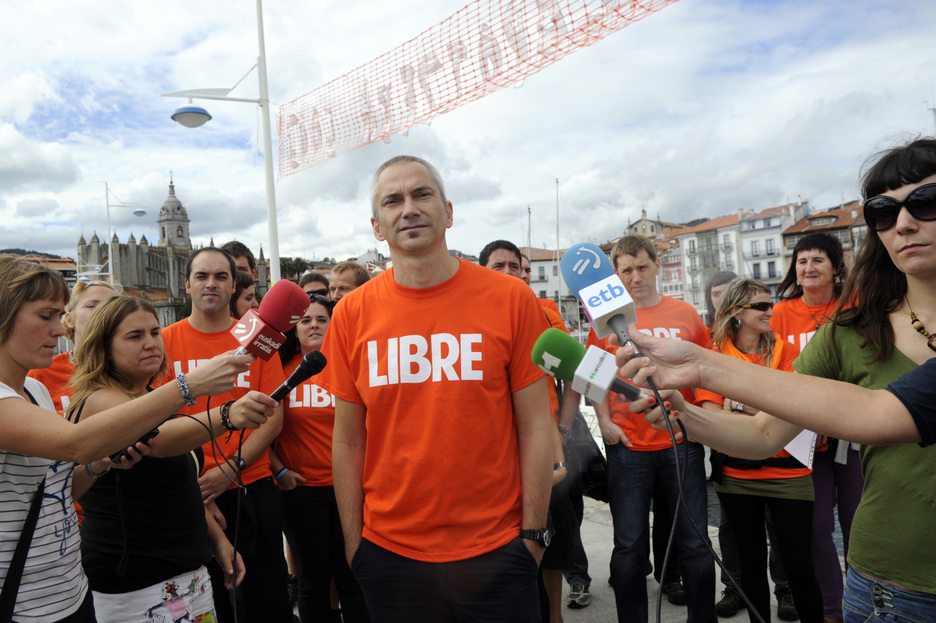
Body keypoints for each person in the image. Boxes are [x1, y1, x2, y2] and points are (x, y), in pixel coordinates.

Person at [617, 137, 936, 623]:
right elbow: (764, 433)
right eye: (883, 211)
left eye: (925, 201)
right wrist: (686, 415)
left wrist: (703, 364)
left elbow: (879, 414)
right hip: (881, 588)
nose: (905, 223)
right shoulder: (848, 332)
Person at [319, 155, 553, 622]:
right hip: (389, 556)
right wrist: (354, 545)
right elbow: (347, 438)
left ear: (448, 212)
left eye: (422, 194)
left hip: (498, 551)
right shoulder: (350, 314)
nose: (409, 208)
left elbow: (535, 425)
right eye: (393, 200)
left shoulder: (512, 299)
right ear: (377, 227)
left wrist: (533, 537)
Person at [0, 256, 261, 622]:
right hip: (44, 598)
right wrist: (199, 394)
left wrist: (96, 466)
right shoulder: (79, 398)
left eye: (155, 332)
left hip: (68, 593)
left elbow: (60, 489)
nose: (59, 330)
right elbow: (77, 443)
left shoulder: (34, 391)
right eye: (46, 316)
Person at [69, 295, 277, 622]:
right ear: (104, 347)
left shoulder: (151, 397)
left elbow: (181, 485)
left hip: (187, 573)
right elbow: (159, 440)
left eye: (155, 332)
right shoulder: (99, 401)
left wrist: (219, 540)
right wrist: (229, 413)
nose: (152, 343)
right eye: (135, 336)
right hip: (136, 583)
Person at [161, 247, 294, 622]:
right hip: (191, 495)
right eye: (202, 276)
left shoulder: (257, 339)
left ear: (234, 285)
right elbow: (155, 422)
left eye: (221, 276)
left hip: (252, 487)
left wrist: (231, 469)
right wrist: (199, 489)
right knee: (206, 603)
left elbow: (274, 417)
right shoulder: (164, 344)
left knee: (268, 599)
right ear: (186, 285)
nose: (211, 284)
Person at [590, 235, 715, 623]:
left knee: (695, 543)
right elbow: (593, 377)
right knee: (628, 546)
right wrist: (606, 423)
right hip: (629, 449)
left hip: (682, 442)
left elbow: (709, 373)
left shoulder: (685, 313)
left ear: (657, 266)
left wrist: (704, 424)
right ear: (616, 274)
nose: (635, 277)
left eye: (642, 267)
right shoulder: (606, 322)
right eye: (625, 270)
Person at [697, 279, 822, 623]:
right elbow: (711, 418)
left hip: (791, 474)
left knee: (800, 568)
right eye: (763, 306)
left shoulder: (788, 351)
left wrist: (736, 406)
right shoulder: (716, 353)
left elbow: (797, 410)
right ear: (736, 312)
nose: (772, 311)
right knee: (750, 568)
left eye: (773, 304)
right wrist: (766, 409)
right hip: (736, 476)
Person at [480, 239, 577, 622]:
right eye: (497, 266)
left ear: (525, 273)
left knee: (556, 541)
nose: (508, 273)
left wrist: (564, 434)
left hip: (547, 448)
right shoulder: (471, 319)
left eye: (514, 266)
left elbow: (576, 377)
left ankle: (553, 615)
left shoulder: (548, 312)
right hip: (498, 454)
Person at [772, 232, 859, 623]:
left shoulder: (855, 307)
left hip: (855, 433)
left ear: (835, 266)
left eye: (818, 260)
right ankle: (832, 609)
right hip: (806, 437)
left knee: (859, 524)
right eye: (802, 260)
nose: (808, 267)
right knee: (817, 527)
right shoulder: (780, 314)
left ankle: (865, 600)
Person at [270, 293, 370, 623]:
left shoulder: (352, 362)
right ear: (294, 330)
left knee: (353, 579)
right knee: (311, 583)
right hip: (300, 491)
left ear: (334, 324)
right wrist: (279, 469)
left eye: (321, 319)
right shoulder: (279, 369)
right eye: (305, 320)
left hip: (350, 489)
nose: (313, 325)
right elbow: (260, 427)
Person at [29, 280, 121, 415]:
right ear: (69, 319)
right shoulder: (41, 374)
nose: (103, 312)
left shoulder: (136, 370)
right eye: (92, 306)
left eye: (112, 307)